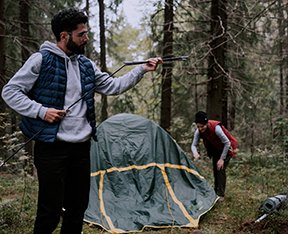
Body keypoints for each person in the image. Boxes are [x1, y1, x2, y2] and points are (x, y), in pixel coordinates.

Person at [1, 8, 162, 234]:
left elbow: (113, 86)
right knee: (50, 211)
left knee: (77, 210)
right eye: (82, 34)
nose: (86, 38)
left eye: (86, 33)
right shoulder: (40, 60)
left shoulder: (86, 65)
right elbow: (10, 92)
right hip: (51, 148)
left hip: (81, 149)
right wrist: (41, 111)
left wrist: (142, 70)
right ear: (64, 36)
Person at [191, 111, 237, 201]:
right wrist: (195, 153)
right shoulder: (198, 131)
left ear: (207, 123)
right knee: (216, 169)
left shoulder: (216, 128)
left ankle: (221, 195)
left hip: (227, 148)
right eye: (198, 126)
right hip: (216, 149)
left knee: (220, 168)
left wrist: (222, 159)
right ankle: (216, 191)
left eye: (202, 126)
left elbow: (227, 143)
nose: (200, 129)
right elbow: (193, 145)